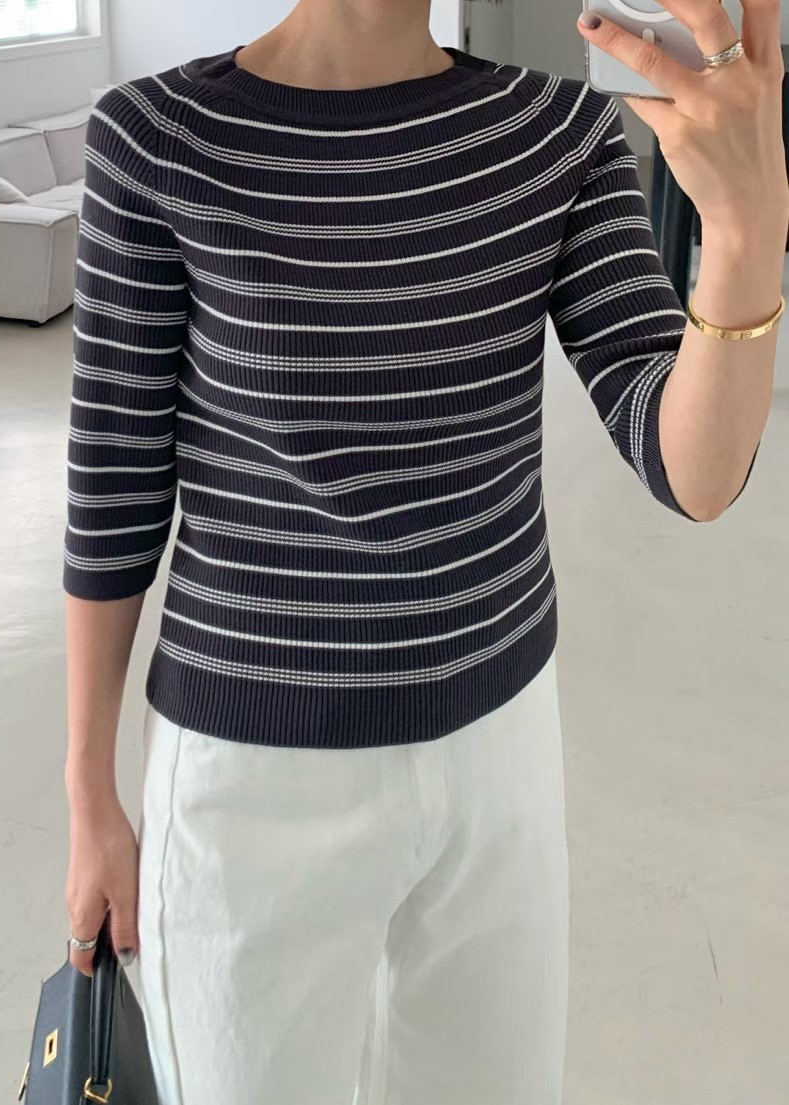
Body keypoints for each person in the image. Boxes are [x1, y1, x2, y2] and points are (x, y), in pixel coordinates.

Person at [61, 2, 756, 1103]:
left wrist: (745, 231)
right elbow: (114, 488)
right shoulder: (157, 138)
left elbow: (692, 470)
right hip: (250, 770)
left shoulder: (554, 134)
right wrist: (90, 796)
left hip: (498, 751)